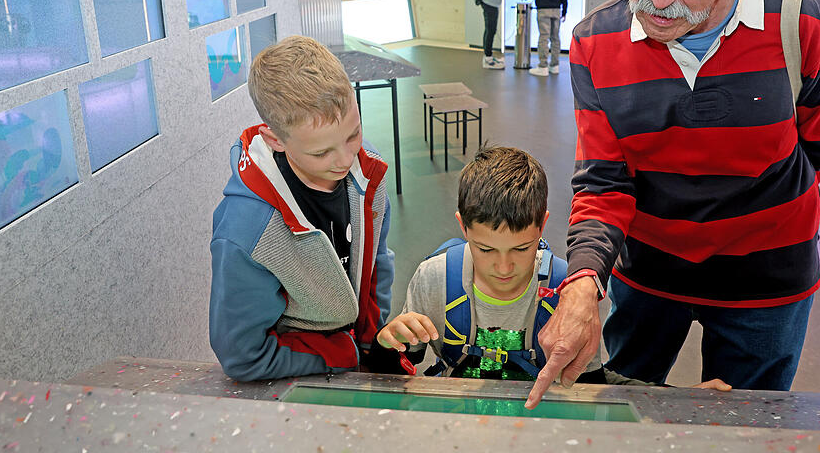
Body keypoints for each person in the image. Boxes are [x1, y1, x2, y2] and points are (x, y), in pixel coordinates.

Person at [526, 0, 820, 409]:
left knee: (750, 420)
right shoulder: (594, 43)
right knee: (622, 408)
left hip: (767, 281)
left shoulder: (803, 23)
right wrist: (583, 282)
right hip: (648, 273)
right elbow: (604, 181)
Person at [372, 146, 730, 393]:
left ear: (542, 226)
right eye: (485, 249)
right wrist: (386, 343)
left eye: (521, 248)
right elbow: (397, 369)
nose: (504, 267)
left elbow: (590, 384)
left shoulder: (567, 293)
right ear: (462, 227)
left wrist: (679, 398)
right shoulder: (434, 279)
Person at [208, 35, 395, 381]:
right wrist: (343, 354)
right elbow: (243, 356)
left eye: (353, 134)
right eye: (321, 153)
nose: (346, 159)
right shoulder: (246, 230)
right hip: (300, 377)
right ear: (274, 139)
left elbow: (376, 260)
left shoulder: (368, 169)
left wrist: (373, 339)